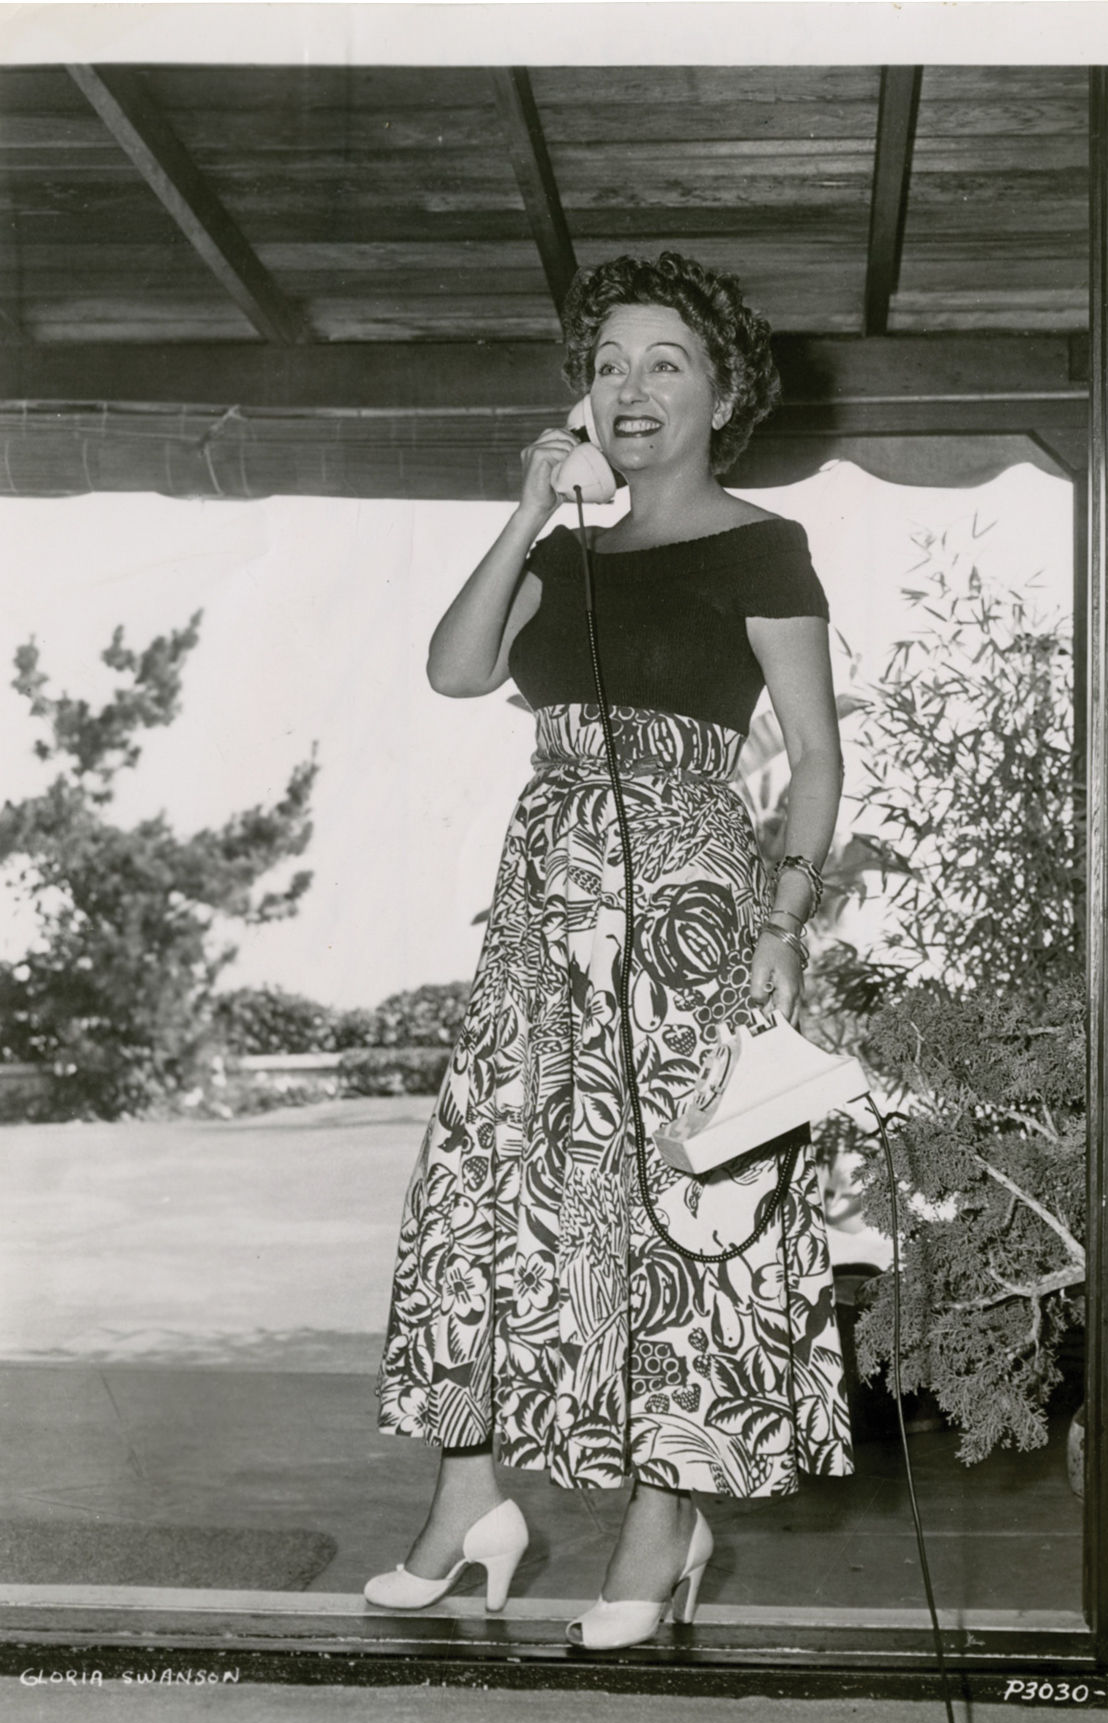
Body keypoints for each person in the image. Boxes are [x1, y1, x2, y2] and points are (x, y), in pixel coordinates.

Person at [367, 251, 852, 1649]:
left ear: (724, 395)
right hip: (543, 909)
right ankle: (471, 1501)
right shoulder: (563, 552)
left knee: (673, 1210)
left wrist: (780, 928)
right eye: (608, 363)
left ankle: (664, 1516)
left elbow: (815, 758)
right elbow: (457, 669)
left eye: (666, 362)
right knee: (490, 1191)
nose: (630, 387)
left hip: (690, 914)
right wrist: (531, 508)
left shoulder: (765, 547)